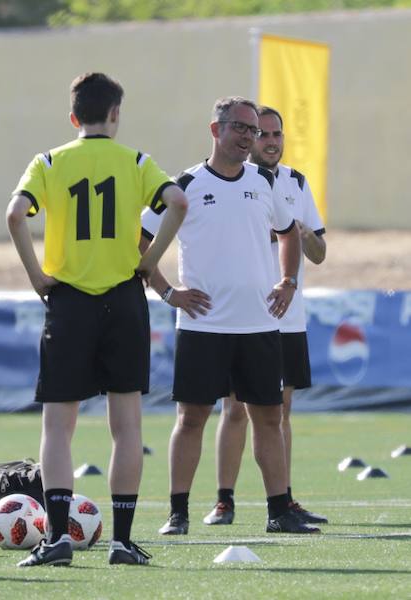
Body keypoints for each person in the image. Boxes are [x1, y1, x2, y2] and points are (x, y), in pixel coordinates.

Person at [7, 72, 188, 568]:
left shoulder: (48, 161)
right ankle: (123, 542)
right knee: (126, 425)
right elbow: (177, 202)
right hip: (124, 299)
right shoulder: (136, 161)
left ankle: (58, 539)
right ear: (115, 114)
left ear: (73, 117)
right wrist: (150, 262)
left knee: (57, 427)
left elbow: (14, 214)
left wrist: (35, 275)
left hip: (68, 302)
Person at [141, 97, 320, 536]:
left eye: (253, 130)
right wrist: (168, 291)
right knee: (191, 419)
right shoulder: (185, 183)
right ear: (215, 129)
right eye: (240, 128)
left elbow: (289, 232)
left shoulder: (265, 181)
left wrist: (288, 282)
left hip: (259, 325)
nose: (248, 137)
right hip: (203, 326)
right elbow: (140, 239)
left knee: (270, 418)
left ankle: (279, 511)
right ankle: (178, 513)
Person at [203, 105, 328, 527]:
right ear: (246, 138)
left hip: (287, 316)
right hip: (243, 316)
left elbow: (320, 252)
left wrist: (296, 228)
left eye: (277, 134)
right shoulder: (236, 183)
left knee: (279, 413)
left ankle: (284, 501)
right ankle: (224, 500)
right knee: (234, 409)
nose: (271, 141)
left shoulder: (295, 183)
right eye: (263, 134)